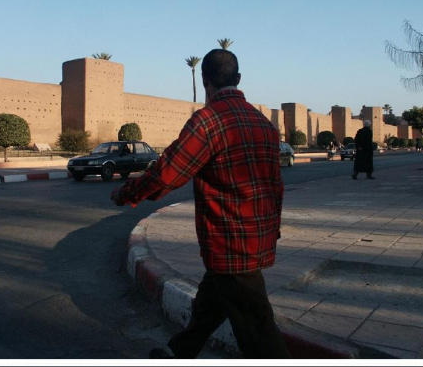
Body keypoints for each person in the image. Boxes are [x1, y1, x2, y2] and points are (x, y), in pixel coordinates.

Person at [110, 48, 290, 359]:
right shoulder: (265, 125)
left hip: (230, 245)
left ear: (204, 80)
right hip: (256, 239)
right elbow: (276, 187)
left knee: (259, 332)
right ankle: (179, 353)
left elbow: (167, 174)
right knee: (209, 306)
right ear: (238, 79)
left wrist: (127, 193)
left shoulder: (208, 122)